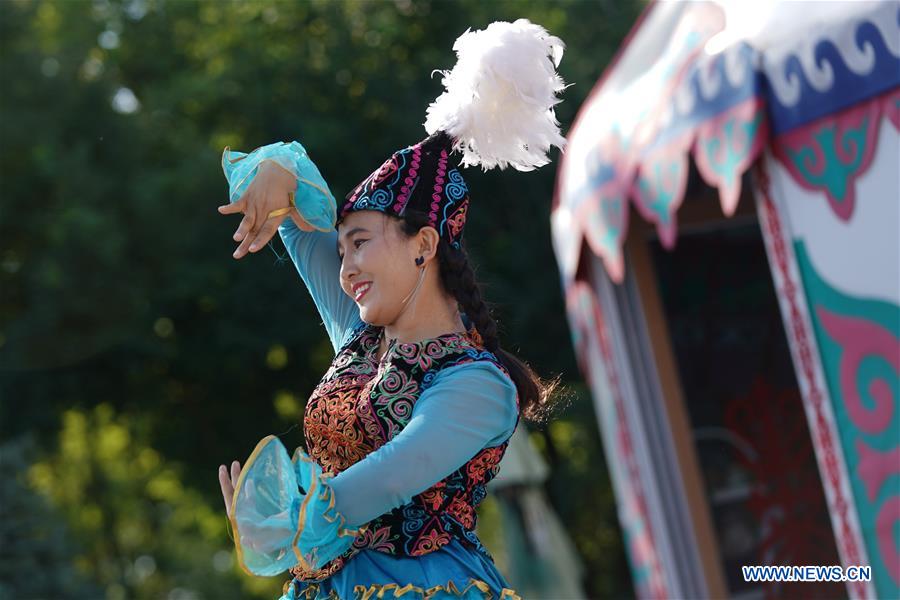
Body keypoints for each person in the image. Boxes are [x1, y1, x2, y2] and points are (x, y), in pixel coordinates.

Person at [216, 19, 567, 600]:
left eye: (360, 243)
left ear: (423, 246)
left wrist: (289, 520)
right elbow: (296, 208)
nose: (344, 266)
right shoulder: (360, 337)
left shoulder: (477, 385)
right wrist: (276, 170)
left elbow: (389, 476)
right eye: (343, 245)